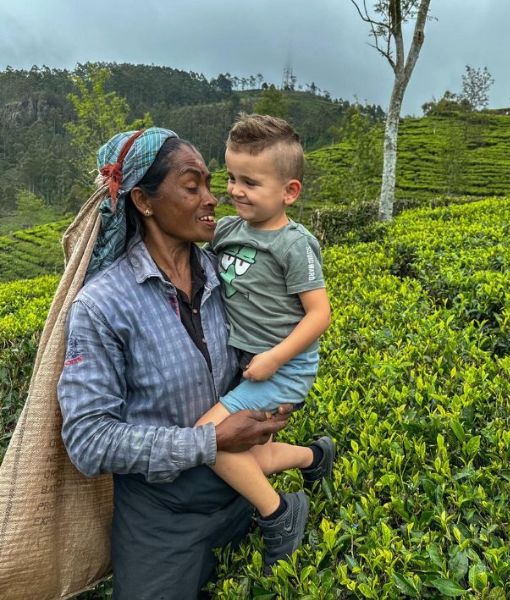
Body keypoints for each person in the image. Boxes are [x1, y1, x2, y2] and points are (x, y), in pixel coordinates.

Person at [57, 127, 307, 598]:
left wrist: (274, 399)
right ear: (143, 202)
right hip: (163, 515)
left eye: (211, 185)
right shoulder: (103, 306)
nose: (213, 199)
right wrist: (208, 441)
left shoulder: (220, 272)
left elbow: (254, 355)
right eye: (192, 187)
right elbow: (88, 441)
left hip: (242, 485)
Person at [195, 113, 333, 574]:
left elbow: (320, 315)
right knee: (244, 452)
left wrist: (273, 359)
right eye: (231, 177)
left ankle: (280, 513)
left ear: (289, 191)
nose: (235, 191)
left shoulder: (296, 245)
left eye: (250, 183)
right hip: (248, 366)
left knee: (207, 439)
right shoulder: (230, 231)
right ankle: (315, 457)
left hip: (282, 368)